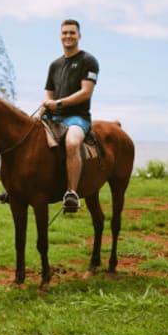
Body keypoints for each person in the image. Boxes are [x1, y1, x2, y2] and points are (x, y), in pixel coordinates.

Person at [38, 18, 98, 212]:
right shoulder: (54, 65)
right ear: (60, 36)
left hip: (77, 118)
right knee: (27, 135)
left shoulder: (88, 61)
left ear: (79, 35)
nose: (68, 36)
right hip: (53, 117)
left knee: (72, 142)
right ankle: (15, 189)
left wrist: (59, 103)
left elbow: (85, 92)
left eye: (72, 32)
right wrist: (46, 107)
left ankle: (71, 193)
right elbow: (49, 92)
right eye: (65, 33)